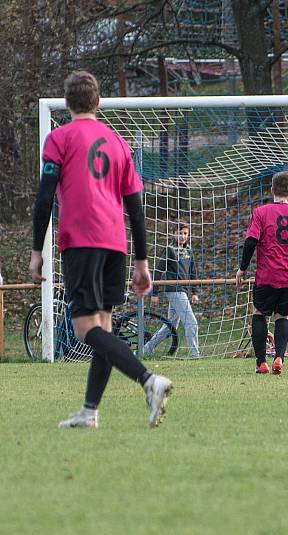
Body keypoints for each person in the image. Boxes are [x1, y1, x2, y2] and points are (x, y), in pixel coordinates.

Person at [29, 70, 172, 428]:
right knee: (103, 327)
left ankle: (149, 380)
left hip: (81, 240)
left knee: (83, 329)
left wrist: (36, 250)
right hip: (116, 244)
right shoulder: (119, 143)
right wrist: (142, 260)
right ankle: (90, 411)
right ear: (98, 102)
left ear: (66, 104)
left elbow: (45, 196)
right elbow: (137, 208)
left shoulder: (58, 138)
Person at [236, 171, 288, 375]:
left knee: (259, 315)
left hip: (267, 276)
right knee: (282, 317)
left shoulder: (260, 213)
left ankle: (261, 362)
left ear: (272, 190)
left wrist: (243, 268)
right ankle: (279, 358)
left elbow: (250, 242)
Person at [144, 221, 201, 358]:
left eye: (185, 233)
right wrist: (154, 293)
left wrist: (194, 292)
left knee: (169, 327)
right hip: (174, 290)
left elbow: (193, 272)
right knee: (192, 323)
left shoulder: (189, 250)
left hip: (184, 291)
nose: (182, 236)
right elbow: (158, 271)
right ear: (173, 234)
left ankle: (144, 350)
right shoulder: (169, 250)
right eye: (179, 233)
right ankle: (194, 355)